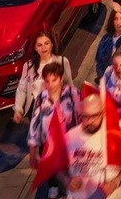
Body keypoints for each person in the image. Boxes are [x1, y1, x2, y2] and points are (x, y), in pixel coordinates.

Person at [65, 94, 121, 198]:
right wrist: (66, 180)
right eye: (85, 116)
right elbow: (58, 167)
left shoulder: (116, 135)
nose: (89, 121)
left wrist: (115, 182)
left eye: (94, 116)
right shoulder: (70, 137)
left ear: (103, 113)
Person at [28, 63, 81, 192]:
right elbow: (35, 124)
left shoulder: (72, 93)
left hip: (72, 146)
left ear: (61, 79)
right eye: (47, 81)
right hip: (52, 148)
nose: (50, 84)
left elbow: (81, 116)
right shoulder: (41, 98)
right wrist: (32, 152)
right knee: (62, 179)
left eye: (54, 80)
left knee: (76, 180)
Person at [14, 30, 74, 124]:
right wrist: (18, 109)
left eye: (47, 43)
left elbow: (69, 85)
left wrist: (72, 105)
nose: (44, 47)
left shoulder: (62, 61)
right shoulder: (29, 65)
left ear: (52, 45)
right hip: (35, 108)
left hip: (56, 106)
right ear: (35, 48)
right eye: (39, 45)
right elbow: (22, 89)